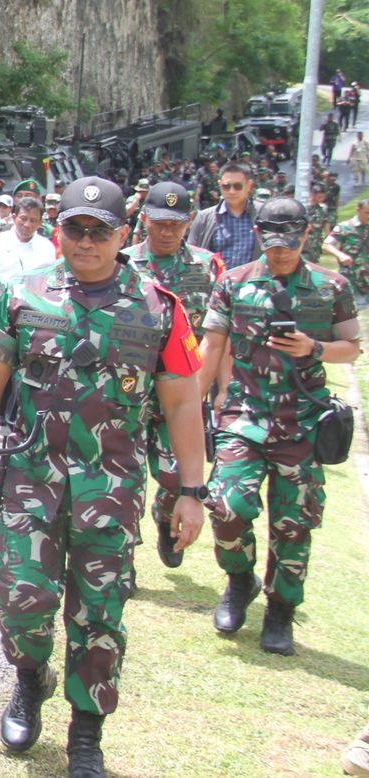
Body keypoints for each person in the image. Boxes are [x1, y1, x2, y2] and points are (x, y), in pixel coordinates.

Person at [0, 176, 206, 778]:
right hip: (30, 485)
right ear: (57, 229)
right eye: (75, 227)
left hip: (111, 492)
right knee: (20, 601)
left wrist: (191, 492)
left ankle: (86, 733)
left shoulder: (159, 309)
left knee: (99, 616)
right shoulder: (21, 294)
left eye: (100, 231)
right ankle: (29, 678)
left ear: (124, 234)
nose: (87, 240)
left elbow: (181, 405)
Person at [199, 197, 360, 656]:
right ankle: (238, 581)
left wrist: (314, 348)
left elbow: (352, 347)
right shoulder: (234, 283)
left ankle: (280, 612)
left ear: (306, 235)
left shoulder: (332, 287)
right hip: (245, 419)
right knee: (226, 505)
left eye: (289, 244)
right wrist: (191, 409)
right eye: (272, 245)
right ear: (258, 235)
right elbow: (211, 351)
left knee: (293, 526)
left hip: (303, 425)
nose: (280, 253)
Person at [121, 181, 225, 568]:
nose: (167, 232)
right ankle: (121, 557)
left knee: (173, 475)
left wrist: (219, 388)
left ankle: (165, 518)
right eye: (160, 223)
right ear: (144, 218)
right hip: (129, 389)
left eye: (176, 224)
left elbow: (219, 333)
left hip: (182, 392)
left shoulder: (207, 267)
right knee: (123, 478)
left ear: (190, 222)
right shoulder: (122, 262)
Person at [188, 162, 257, 269]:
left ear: (249, 185)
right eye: (226, 186)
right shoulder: (204, 218)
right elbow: (191, 254)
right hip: (216, 283)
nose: (232, 191)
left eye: (237, 186)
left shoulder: (262, 215)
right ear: (220, 185)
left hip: (253, 283)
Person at [0, 197, 56, 282]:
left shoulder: (47, 248)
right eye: (23, 219)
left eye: (33, 220)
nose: (27, 224)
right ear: (14, 218)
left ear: (40, 223)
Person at [324, 198, 369, 304]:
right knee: (350, 310)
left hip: (367, 277)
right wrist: (340, 255)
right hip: (351, 277)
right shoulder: (344, 227)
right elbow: (326, 245)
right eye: (367, 212)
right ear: (358, 210)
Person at [303, 182, 331, 264]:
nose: (322, 199)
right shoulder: (304, 208)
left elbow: (327, 227)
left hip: (316, 243)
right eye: (320, 197)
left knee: (314, 264)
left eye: (323, 197)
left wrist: (328, 240)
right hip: (304, 242)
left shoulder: (323, 210)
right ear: (313, 195)